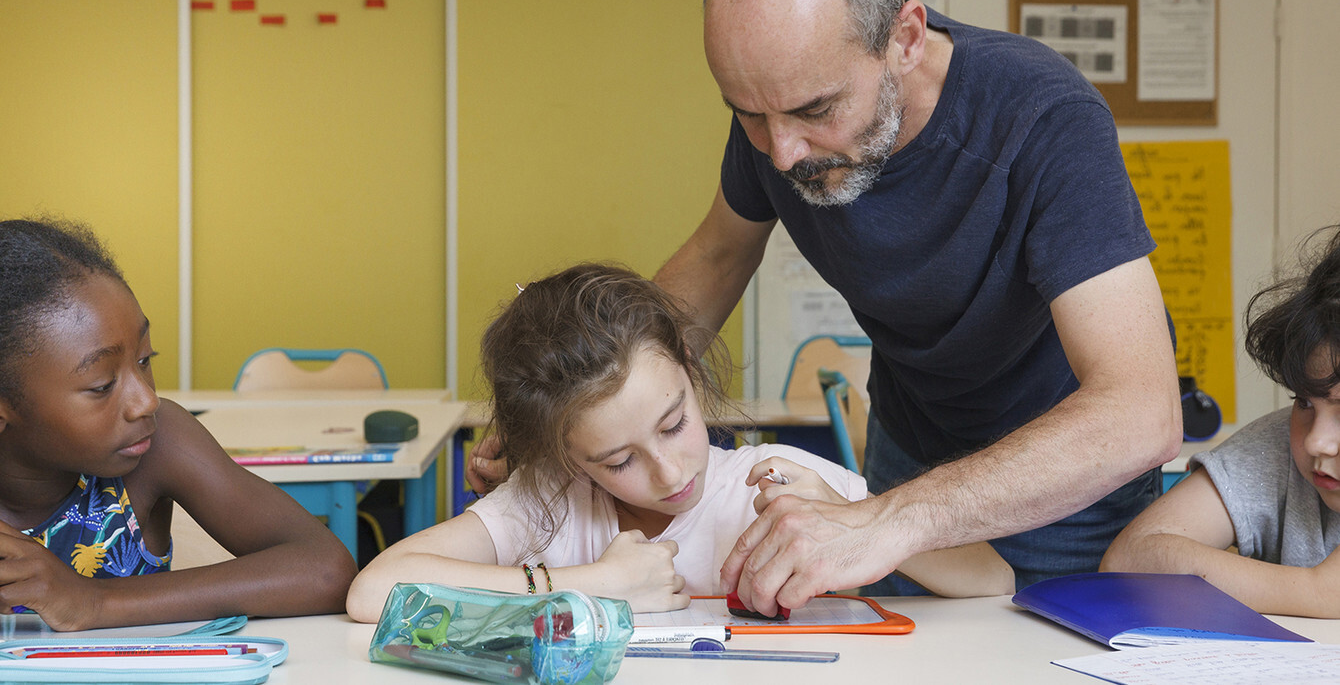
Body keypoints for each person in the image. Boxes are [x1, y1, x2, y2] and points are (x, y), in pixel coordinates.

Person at [470, 0, 1182, 615]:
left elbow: (1140, 413)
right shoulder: (780, 106)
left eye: (815, 111)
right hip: (910, 458)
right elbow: (717, 259)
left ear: (904, 38)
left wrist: (888, 519)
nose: (782, 152)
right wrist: (570, 403)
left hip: (1061, 484)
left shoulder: (1042, 118)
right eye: (749, 114)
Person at [347, 264, 1012, 622]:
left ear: (693, 376)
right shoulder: (551, 500)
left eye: (673, 423)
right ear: (566, 458)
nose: (668, 473)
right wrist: (592, 584)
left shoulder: (771, 481)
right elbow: (373, 591)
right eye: (619, 460)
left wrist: (858, 523)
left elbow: (992, 580)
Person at [0, 218, 357, 630]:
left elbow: (326, 570)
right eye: (102, 385)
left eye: (144, 360)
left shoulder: (158, 445)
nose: (146, 400)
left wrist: (94, 601)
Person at [1101, 226, 1340, 617]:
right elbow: (1130, 558)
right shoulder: (1278, 447)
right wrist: (1315, 592)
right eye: (1304, 402)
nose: (1317, 443)